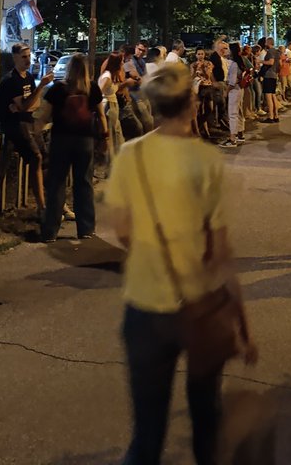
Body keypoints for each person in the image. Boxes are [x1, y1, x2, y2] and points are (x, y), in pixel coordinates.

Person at [104, 61, 257, 465]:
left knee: (147, 434)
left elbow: (122, 231)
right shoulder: (206, 160)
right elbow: (221, 252)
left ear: (153, 106)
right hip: (200, 303)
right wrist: (242, 325)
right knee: (207, 421)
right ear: (192, 104)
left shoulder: (130, 156)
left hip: (144, 305)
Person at [41, 53, 108, 242]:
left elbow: (45, 115)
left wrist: (37, 131)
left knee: (57, 183)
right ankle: (85, 229)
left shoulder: (58, 89)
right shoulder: (91, 88)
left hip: (61, 140)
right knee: (84, 183)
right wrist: (105, 137)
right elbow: (101, 115)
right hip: (84, 141)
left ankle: (50, 231)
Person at [0, 42, 53, 215]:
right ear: (15, 58)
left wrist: (26, 104)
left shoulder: (29, 77)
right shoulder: (12, 80)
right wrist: (41, 87)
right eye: (24, 57)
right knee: (36, 157)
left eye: (29, 56)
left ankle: (55, 201)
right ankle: (42, 207)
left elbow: (34, 104)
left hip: (28, 120)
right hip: (14, 124)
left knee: (45, 159)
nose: (28, 60)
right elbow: (25, 105)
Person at [98, 52, 126, 163]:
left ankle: (119, 160)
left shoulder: (112, 75)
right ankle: (110, 163)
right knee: (113, 135)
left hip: (113, 105)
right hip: (109, 106)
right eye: (121, 61)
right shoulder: (107, 77)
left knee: (117, 134)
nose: (123, 63)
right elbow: (98, 93)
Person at [124, 42, 154, 133]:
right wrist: (139, 79)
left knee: (149, 120)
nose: (140, 52)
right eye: (139, 49)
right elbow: (137, 77)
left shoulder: (142, 61)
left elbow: (144, 77)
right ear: (136, 47)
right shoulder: (130, 60)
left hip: (142, 93)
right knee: (147, 122)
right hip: (134, 95)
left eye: (143, 51)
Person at [219, 42, 245, 149]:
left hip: (234, 90)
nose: (226, 51)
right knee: (239, 112)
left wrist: (226, 92)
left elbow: (232, 82)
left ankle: (232, 139)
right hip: (240, 89)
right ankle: (240, 134)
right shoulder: (240, 62)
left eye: (227, 49)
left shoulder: (234, 64)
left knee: (232, 114)